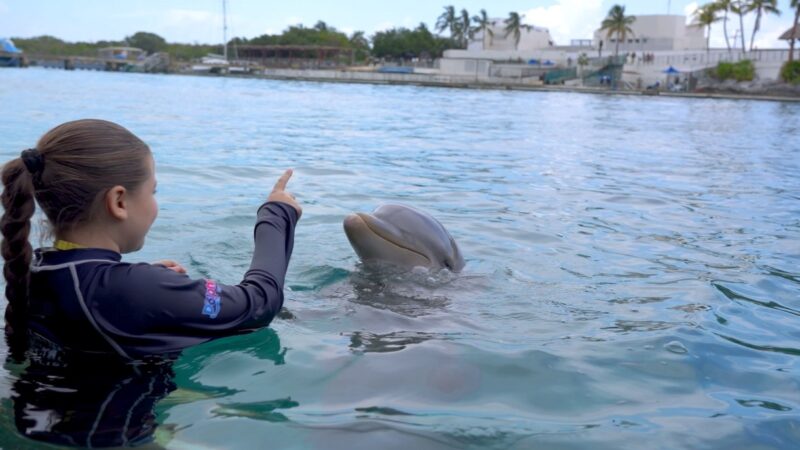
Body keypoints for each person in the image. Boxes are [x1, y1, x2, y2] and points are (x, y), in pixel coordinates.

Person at [1, 118, 303, 361]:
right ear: (119, 202)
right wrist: (277, 214)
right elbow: (260, 302)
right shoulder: (136, 289)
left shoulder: (35, 272)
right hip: (124, 436)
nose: (155, 203)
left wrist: (145, 283)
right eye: (152, 192)